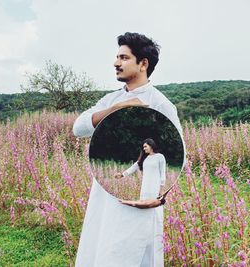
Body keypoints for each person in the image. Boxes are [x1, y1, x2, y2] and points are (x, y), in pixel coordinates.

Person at [73, 32, 183, 267]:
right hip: (105, 194)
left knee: (135, 251)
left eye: (123, 57)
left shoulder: (161, 104)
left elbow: (182, 156)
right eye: (117, 57)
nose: (116, 63)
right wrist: (117, 108)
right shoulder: (110, 99)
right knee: (103, 247)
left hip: (145, 198)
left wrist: (160, 198)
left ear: (143, 64)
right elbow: (78, 128)